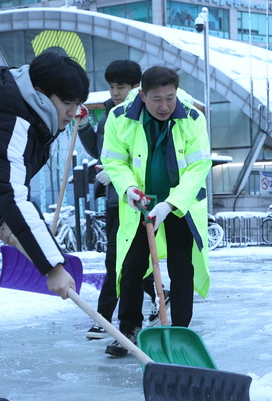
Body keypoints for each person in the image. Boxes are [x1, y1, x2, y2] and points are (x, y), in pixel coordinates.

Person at [0, 52, 89, 401]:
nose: (74, 112)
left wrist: (1, 219)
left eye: (78, 104)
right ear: (42, 93)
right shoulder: (10, 117)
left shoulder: (20, 109)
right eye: (69, 103)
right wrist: (52, 267)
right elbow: (12, 192)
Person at [100, 66, 211, 357]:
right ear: (142, 95)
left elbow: (199, 166)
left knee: (181, 266)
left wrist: (170, 204)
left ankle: (181, 330)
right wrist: (128, 190)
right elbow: (114, 161)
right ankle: (129, 329)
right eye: (156, 99)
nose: (164, 106)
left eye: (170, 98)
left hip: (179, 205)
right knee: (132, 265)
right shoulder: (119, 118)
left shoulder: (192, 118)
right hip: (141, 204)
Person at [78, 60, 169, 340]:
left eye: (121, 87)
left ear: (137, 89)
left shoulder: (139, 114)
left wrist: (120, 176)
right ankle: (158, 294)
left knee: (120, 261)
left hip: (134, 200)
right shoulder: (110, 114)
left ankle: (106, 318)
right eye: (111, 87)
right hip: (115, 199)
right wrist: (83, 126)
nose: (115, 92)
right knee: (125, 262)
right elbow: (100, 150)